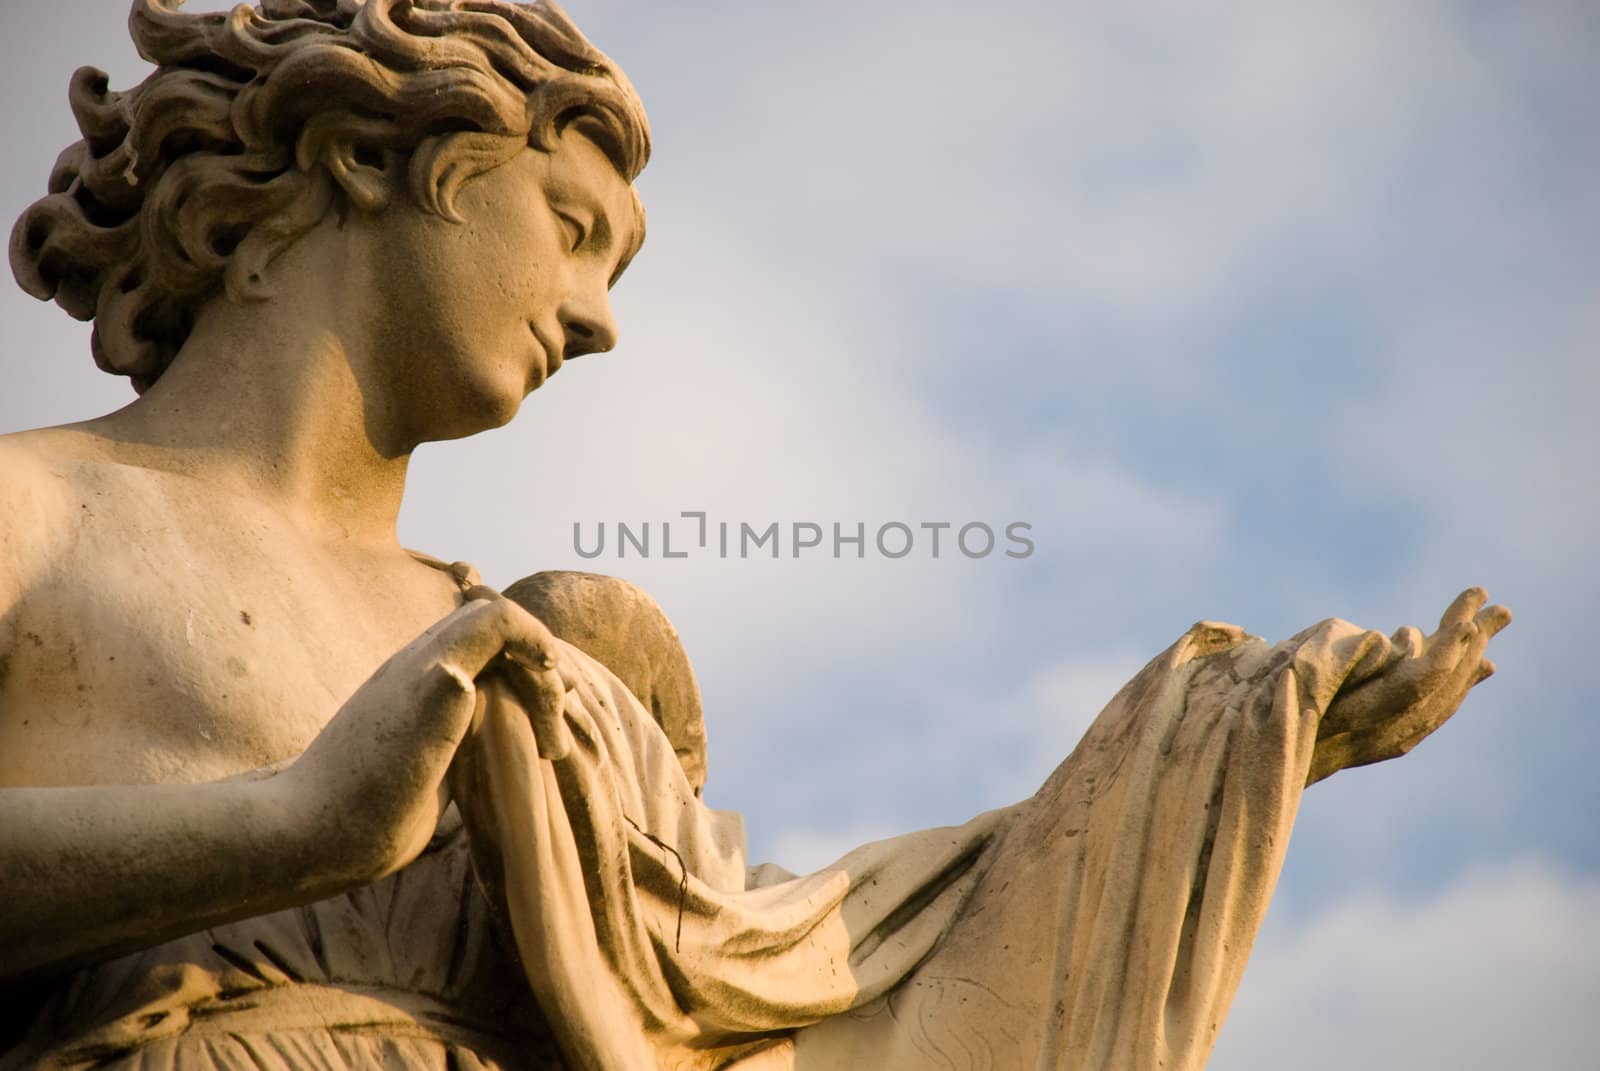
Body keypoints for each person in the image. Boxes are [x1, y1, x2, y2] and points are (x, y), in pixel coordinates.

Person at [0, 2, 1510, 1069]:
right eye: (573, 228)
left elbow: (776, 981)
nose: (596, 322)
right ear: (371, 157)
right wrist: (297, 823)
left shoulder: (539, 675)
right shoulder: (39, 512)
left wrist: (1220, 754)